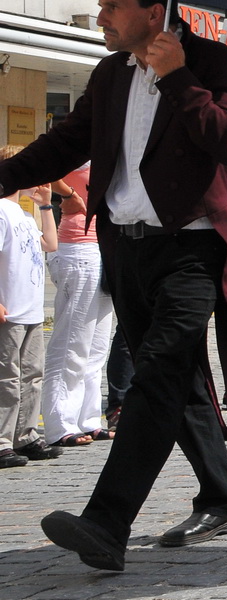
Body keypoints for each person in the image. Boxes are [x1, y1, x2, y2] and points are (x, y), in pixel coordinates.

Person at [0, 0, 227, 570]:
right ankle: (221, 497)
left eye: (112, 4)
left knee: (158, 375)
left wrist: (178, 78)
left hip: (191, 249)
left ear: (152, 11)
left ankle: (107, 522)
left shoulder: (215, 64)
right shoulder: (110, 73)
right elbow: (67, 144)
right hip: (126, 249)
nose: (102, 16)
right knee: (175, 376)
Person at [39, 163, 114, 446]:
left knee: (96, 345)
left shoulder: (109, 144)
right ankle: (60, 423)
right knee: (72, 340)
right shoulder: (76, 147)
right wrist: (69, 194)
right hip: (78, 245)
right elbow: (43, 169)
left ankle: (88, 418)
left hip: (103, 245)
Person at [0, 161, 61, 468]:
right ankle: (1, 440)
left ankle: (25, 434)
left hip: (31, 308)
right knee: (7, 377)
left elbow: (50, 243)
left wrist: (47, 206)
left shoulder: (24, 215)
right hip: (9, 309)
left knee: (31, 375)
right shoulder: (0, 210)